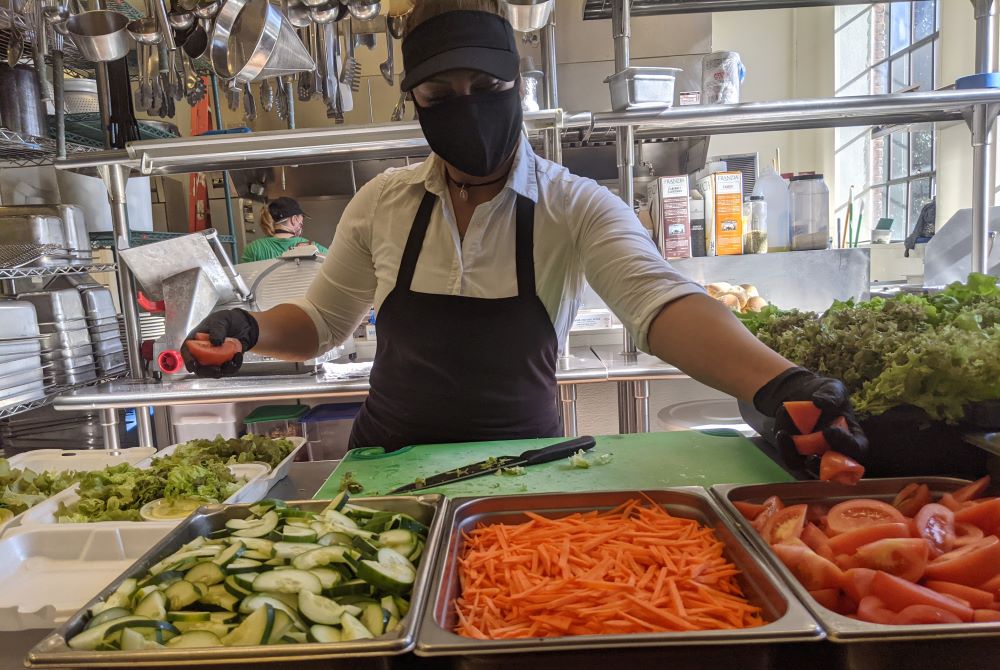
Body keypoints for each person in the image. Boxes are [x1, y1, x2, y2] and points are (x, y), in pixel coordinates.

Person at [184, 0, 868, 464]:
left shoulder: (576, 206)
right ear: (415, 102)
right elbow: (320, 322)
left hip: (527, 473)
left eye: (485, 85)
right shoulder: (382, 203)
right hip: (385, 468)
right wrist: (249, 327)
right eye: (440, 97)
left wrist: (780, 384)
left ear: (518, 82)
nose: (467, 108)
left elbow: (661, 304)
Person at [241, 196, 329, 262]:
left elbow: (245, 280)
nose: (302, 224)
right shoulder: (312, 247)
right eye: (302, 219)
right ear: (294, 219)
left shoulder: (254, 248)